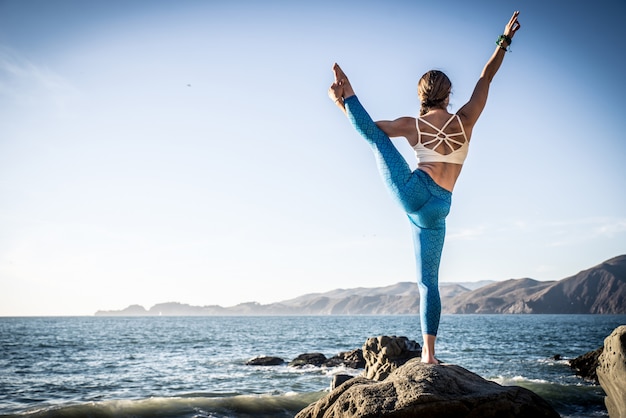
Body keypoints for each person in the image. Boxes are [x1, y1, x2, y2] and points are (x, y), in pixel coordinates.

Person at [328, 11, 521, 364]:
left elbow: (371, 130)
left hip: (415, 191)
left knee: (378, 142)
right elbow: (486, 77)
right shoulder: (467, 119)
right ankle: (429, 355)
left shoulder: (412, 124)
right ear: (449, 95)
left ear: (421, 94)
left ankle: (349, 91)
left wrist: (343, 102)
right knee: (428, 283)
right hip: (441, 206)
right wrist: (504, 40)